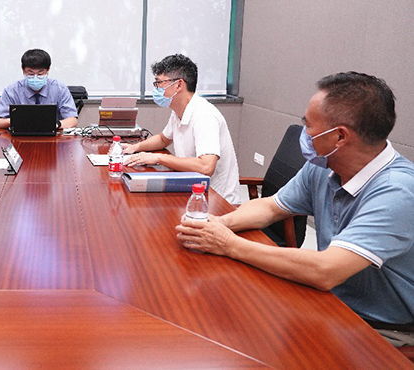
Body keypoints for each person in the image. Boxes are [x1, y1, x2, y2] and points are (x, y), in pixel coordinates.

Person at [176, 72, 414, 347]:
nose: (304, 133)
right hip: (330, 300)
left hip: (379, 326)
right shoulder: (324, 166)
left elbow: (326, 270)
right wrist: (218, 224)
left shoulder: (398, 191)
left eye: (308, 125)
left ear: (339, 136)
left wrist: (227, 244)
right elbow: (271, 206)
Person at [122, 53, 241, 205]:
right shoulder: (179, 111)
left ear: (178, 85)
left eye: (159, 83)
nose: (156, 89)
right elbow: (163, 139)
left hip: (216, 202)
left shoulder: (204, 116)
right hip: (191, 188)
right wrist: (135, 148)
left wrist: (159, 158)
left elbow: (206, 166)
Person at [0, 49, 78, 130]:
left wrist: (54, 124)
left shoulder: (60, 89)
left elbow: (73, 120)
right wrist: (16, 121)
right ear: (23, 71)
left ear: (47, 70)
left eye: (40, 74)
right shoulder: (12, 90)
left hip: (53, 135)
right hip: (20, 136)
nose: (35, 77)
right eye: (31, 74)